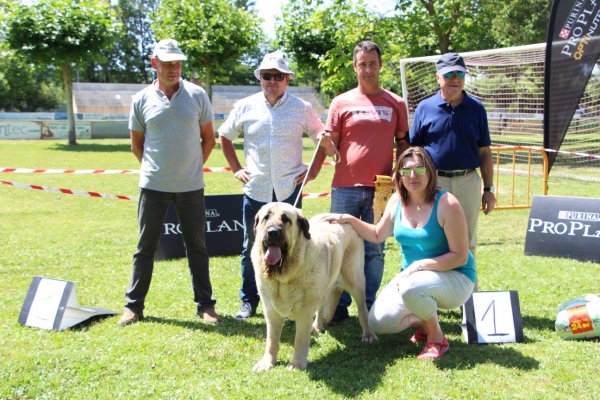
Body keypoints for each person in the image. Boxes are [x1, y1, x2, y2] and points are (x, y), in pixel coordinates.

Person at [319, 147, 476, 359]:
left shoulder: (447, 203)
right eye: (406, 170)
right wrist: (349, 219)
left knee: (413, 286)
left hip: (456, 278)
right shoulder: (396, 201)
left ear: (430, 171)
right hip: (413, 279)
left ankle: (437, 338)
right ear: (399, 175)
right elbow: (376, 235)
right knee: (378, 322)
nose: (413, 176)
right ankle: (423, 323)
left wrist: (420, 265)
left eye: (419, 169)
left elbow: (460, 256)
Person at [218, 50, 333, 321]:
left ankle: (292, 295)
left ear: (288, 79)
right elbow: (224, 135)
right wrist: (236, 168)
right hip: (256, 189)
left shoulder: (302, 108)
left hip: (288, 191)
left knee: (294, 245)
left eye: (279, 76)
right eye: (267, 75)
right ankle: (249, 300)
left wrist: (313, 171)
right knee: (251, 245)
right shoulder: (245, 106)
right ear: (260, 78)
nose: (273, 80)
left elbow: (323, 141)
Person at [118, 38, 222, 326]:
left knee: (197, 247)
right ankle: (133, 306)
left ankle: (206, 306)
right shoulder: (140, 99)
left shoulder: (198, 95)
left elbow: (209, 139)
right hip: (153, 187)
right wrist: (157, 170)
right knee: (145, 247)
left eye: (178, 63)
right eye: (168, 63)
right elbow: (136, 145)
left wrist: (189, 168)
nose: (174, 68)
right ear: (154, 63)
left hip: (191, 186)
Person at [315, 40, 410, 325]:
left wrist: (399, 175)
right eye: (362, 64)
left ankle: (366, 306)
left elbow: (403, 143)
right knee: (336, 248)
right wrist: (323, 148)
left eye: (372, 63)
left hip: (382, 188)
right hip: (344, 186)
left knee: (374, 248)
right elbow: (329, 145)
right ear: (355, 67)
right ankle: (337, 306)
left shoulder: (396, 102)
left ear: (380, 65)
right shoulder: (340, 102)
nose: (368, 69)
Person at [409, 52, 496, 290]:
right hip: (433, 184)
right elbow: (414, 151)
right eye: (449, 74)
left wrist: (488, 189)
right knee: (431, 240)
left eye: (460, 73)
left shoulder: (477, 108)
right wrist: (414, 183)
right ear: (439, 77)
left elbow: (485, 152)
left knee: (467, 242)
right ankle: (430, 294)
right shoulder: (424, 108)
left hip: (467, 181)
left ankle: (469, 300)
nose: (455, 78)